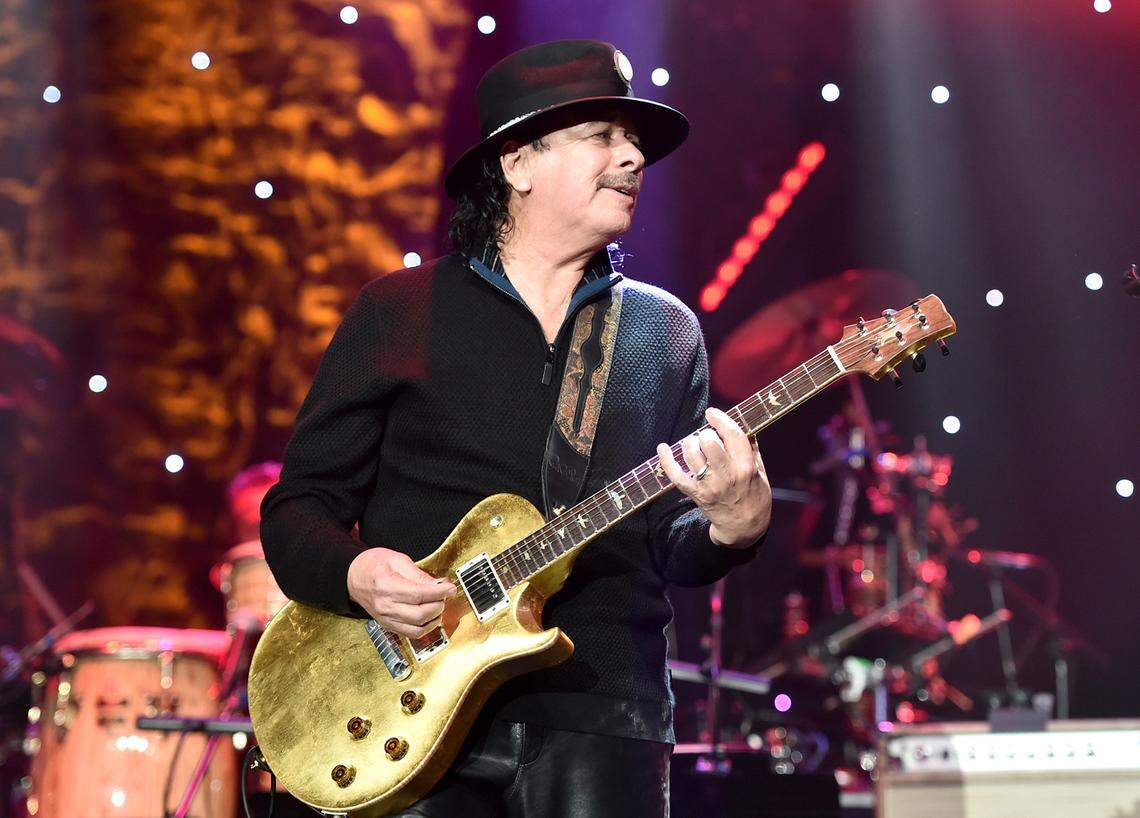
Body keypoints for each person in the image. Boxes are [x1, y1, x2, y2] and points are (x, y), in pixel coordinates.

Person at [261, 40, 772, 817]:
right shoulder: (399, 311)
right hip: (411, 716)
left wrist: (735, 526)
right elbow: (299, 509)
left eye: (633, 142)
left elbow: (672, 545)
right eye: (602, 135)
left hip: (605, 716)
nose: (633, 157)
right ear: (517, 163)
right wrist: (358, 573)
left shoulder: (664, 333)